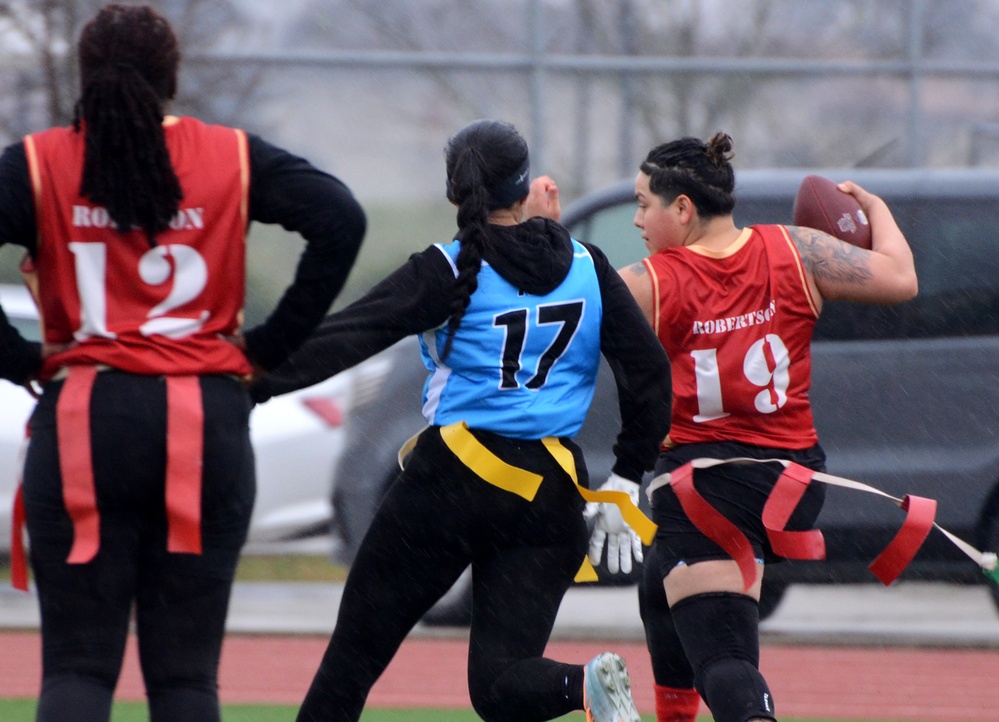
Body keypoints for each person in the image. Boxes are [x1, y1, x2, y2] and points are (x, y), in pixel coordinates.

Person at [0, 5, 366, 721]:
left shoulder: (40, 163)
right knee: (184, 680)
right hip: (204, 419)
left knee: (77, 668)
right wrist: (267, 347)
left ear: (84, 76)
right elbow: (339, 220)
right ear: (170, 78)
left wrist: (20, 361)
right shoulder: (229, 154)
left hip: (86, 419)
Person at [250, 118, 672, 722]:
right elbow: (650, 373)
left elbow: (348, 336)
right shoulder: (588, 264)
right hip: (550, 494)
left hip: (452, 482)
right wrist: (627, 475)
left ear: (456, 194)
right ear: (525, 189)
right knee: (500, 684)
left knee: (353, 660)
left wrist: (251, 378)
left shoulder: (449, 270)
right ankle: (581, 688)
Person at [587, 132, 917, 722]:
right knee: (660, 592)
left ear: (682, 208)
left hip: (710, 486)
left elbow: (561, 329)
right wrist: (876, 210)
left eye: (644, 204)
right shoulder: (797, 248)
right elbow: (900, 278)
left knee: (725, 659)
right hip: (796, 480)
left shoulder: (648, 282)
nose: (637, 218)